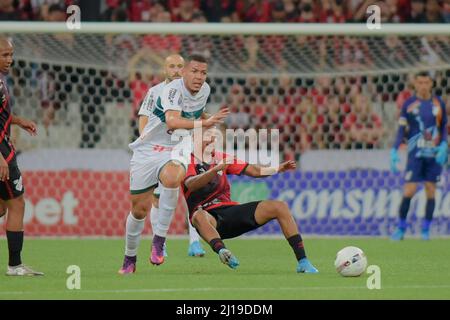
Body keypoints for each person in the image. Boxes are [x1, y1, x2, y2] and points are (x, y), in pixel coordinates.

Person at [119, 54, 229, 274]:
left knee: (173, 177)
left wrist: (211, 126)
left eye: (203, 72)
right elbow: (171, 120)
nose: (199, 77)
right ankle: (129, 258)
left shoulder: (205, 90)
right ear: (183, 73)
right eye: (194, 71)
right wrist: (204, 122)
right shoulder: (167, 90)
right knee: (139, 210)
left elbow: (193, 114)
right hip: (148, 149)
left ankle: (159, 240)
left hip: (176, 145)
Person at [182, 128, 319, 273]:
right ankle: (223, 251)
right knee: (198, 216)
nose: (211, 140)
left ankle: (303, 262)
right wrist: (214, 171)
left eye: (213, 137)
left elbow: (254, 171)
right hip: (209, 218)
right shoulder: (186, 161)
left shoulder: (221, 158)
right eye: (206, 136)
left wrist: (277, 168)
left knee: (280, 207)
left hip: (229, 212)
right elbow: (191, 184)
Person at [0, 36, 43, 276]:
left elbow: (1, 114)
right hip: (1, 152)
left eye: (11, 54)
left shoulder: (2, 80)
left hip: (4, 146)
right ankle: (15, 266)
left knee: (2, 207)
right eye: (5, 55)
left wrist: (19, 121)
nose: (10, 60)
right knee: (16, 203)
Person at [390, 71, 448, 241]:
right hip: (415, 154)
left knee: (431, 191)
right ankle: (401, 228)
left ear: (431, 83)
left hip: (434, 154)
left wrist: (445, 144)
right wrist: (394, 149)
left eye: (426, 82)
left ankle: (425, 231)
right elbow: (402, 129)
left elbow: (444, 126)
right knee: (409, 189)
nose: (423, 85)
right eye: (420, 82)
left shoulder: (439, 103)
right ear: (415, 84)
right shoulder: (408, 104)